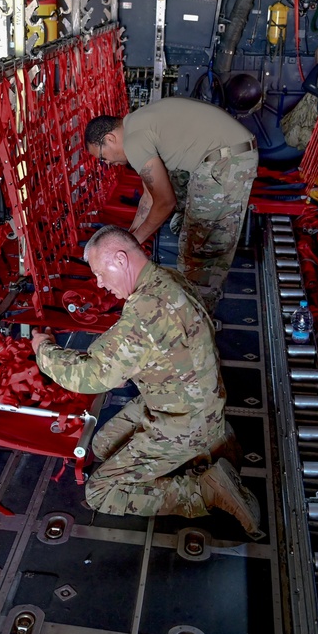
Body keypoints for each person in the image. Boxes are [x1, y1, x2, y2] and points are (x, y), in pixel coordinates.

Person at [29, 226, 261, 535]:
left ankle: (206, 490)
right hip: (190, 401)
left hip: (182, 423)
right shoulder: (167, 280)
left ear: (121, 260)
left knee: (100, 491)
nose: (100, 284)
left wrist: (43, 350)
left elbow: (92, 375)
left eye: (100, 273)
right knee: (100, 446)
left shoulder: (145, 312)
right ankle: (212, 446)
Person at [85, 98, 259, 311]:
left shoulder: (133, 141)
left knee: (197, 249)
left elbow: (165, 202)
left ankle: (195, 318)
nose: (108, 165)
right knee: (189, 231)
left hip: (225, 160)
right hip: (229, 154)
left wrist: (132, 244)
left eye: (103, 158)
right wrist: (128, 237)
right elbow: (149, 196)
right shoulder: (136, 124)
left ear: (110, 139)